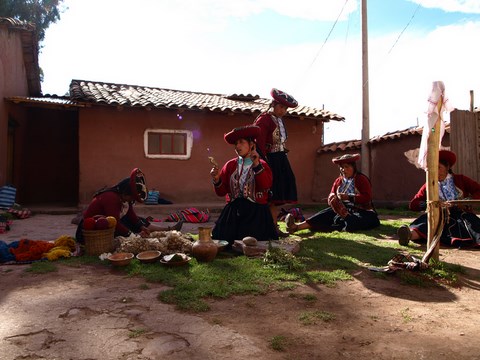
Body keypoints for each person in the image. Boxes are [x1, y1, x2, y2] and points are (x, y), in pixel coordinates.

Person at [210, 125, 279, 247]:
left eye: (241, 142)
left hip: (256, 211)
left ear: (251, 144)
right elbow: (222, 192)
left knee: (253, 241)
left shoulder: (262, 164)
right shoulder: (230, 165)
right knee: (223, 240)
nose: (237, 146)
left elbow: (266, 185)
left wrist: (256, 164)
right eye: (236, 143)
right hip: (233, 211)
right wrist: (216, 179)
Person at [397, 150, 480, 247]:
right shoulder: (428, 185)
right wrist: (432, 204)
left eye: (439, 167)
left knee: (473, 225)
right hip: (438, 215)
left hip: (461, 215)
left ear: (447, 167)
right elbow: (414, 204)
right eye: (433, 168)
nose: (435, 171)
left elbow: (478, 190)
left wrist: (465, 202)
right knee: (425, 223)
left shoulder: (460, 179)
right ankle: (408, 235)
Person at [75, 168, 183, 242]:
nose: (132, 200)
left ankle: (168, 230)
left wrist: (142, 227)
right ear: (126, 193)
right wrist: (133, 236)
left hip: (109, 223)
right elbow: (115, 223)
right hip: (92, 230)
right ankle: (146, 233)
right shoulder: (111, 198)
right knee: (123, 228)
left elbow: (132, 216)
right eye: (132, 197)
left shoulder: (124, 199)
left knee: (137, 220)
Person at [285, 153, 380, 234]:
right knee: (325, 215)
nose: (343, 170)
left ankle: (346, 222)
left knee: (354, 223)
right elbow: (331, 195)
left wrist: (348, 197)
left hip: (362, 212)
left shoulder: (361, 179)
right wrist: (333, 199)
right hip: (342, 210)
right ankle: (296, 227)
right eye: (342, 167)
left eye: (347, 167)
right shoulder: (339, 181)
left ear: (353, 167)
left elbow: (367, 197)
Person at [254, 88, 298, 237]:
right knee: (270, 195)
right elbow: (258, 143)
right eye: (281, 107)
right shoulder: (264, 119)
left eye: (285, 108)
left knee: (277, 195)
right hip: (269, 160)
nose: (283, 110)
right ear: (273, 104)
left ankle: (273, 226)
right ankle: (269, 227)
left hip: (280, 159)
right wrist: (263, 163)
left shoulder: (279, 120)